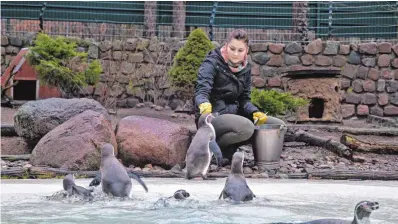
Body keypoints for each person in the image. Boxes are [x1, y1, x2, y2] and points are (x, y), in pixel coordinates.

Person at [194, 29, 285, 162]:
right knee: (246, 128)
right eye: (232, 49)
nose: (236, 54)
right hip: (212, 116)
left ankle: (263, 162)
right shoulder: (212, 63)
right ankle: (211, 151)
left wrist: (255, 112)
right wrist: (203, 103)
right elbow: (202, 90)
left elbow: (244, 100)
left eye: (240, 50)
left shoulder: (245, 68)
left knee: (279, 125)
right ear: (226, 46)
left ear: (246, 50)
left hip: (235, 114)